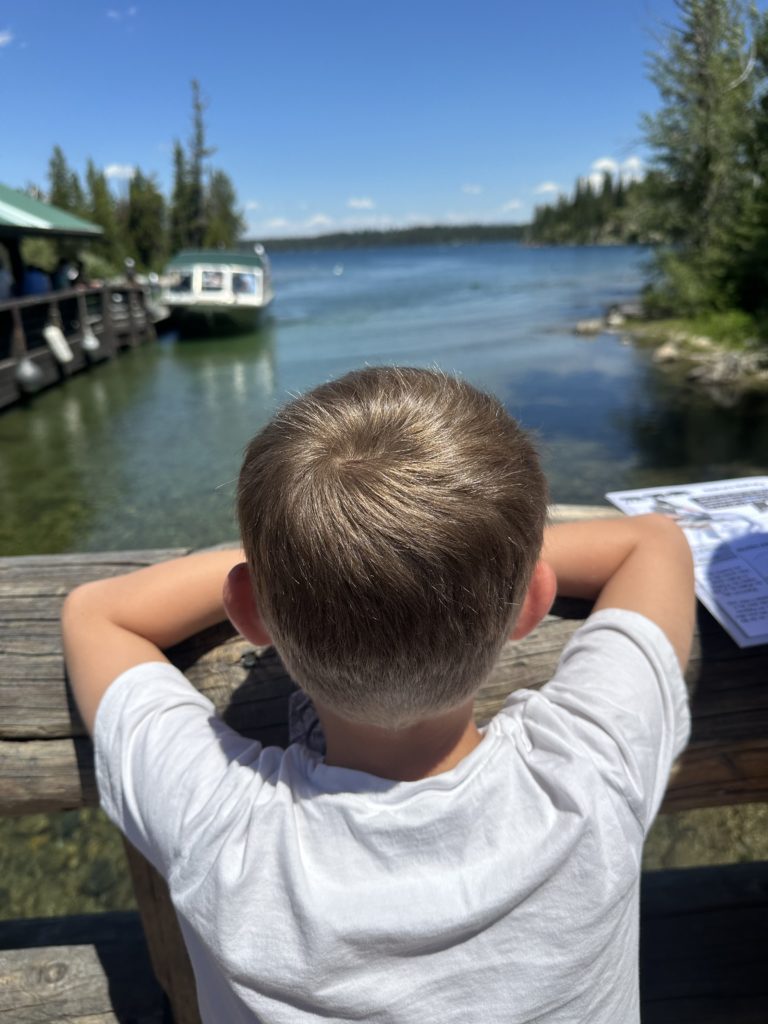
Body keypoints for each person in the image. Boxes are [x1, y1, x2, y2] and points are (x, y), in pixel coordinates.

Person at [62, 366, 695, 1023]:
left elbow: (97, 614)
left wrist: (309, 570)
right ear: (531, 603)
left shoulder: (223, 833)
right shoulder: (588, 774)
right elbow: (655, 542)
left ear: (248, 611)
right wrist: (474, 562)